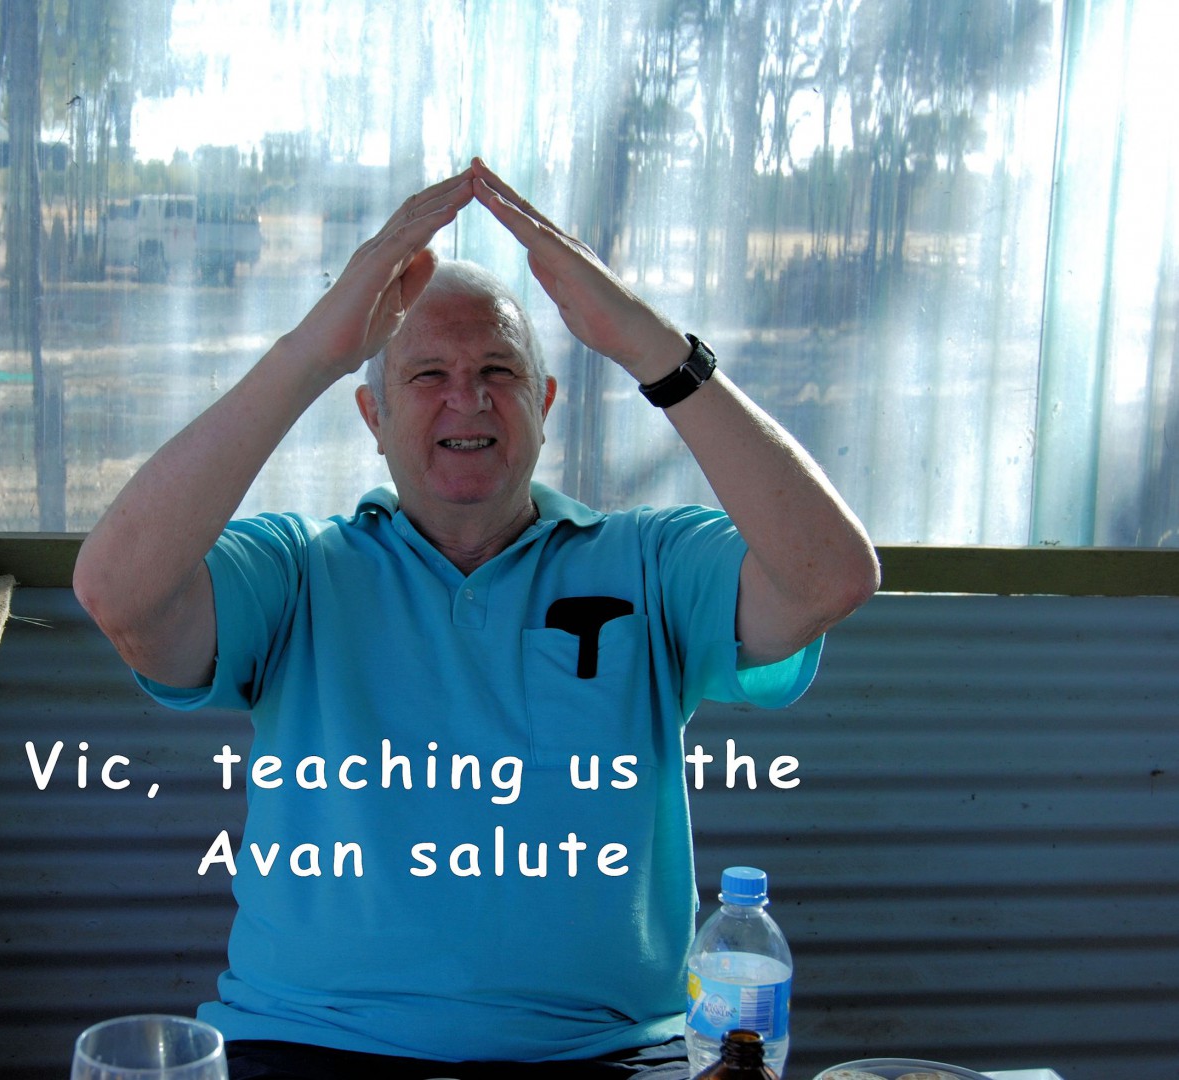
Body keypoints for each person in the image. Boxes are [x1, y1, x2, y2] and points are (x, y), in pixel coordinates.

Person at [73, 159, 880, 1079]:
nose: (468, 397)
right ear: (372, 416)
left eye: (499, 369)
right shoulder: (298, 569)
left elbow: (830, 577)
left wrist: (653, 350)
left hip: (609, 1055)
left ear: (543, 404)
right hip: (306, 1047)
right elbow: (117, 593)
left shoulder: (649, 563)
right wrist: (311, 354)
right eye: (428, 374)